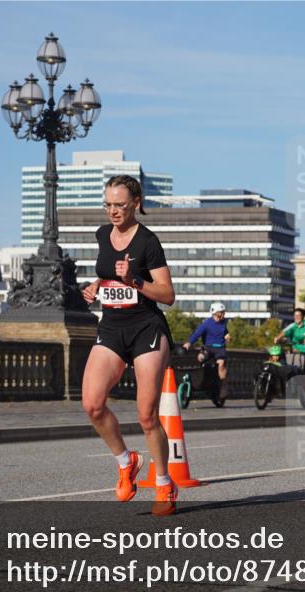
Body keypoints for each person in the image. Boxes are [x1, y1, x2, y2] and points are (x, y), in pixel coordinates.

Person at [81, 174, 178, 516]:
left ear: (136, 203)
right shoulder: (102, 235)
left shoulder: (148, 242)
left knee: (146, 415)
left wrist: (134, 281)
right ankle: (127, 460)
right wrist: (96, 286)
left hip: (145, 329)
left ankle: (165, 483)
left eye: (119, 205)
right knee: (92, 405)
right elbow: (108, 272)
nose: (113, 211)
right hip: (110, 326)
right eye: (107, 204)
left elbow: (167, 295)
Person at [183, 302, 232, 399]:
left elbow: (226, 334)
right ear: (215, 313)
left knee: (221, 364)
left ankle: (223, 386)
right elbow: (197, 334)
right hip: (208, 348)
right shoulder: (206, 324)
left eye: (223, 312)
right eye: (221, 312)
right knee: (201, 357)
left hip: (220, 349)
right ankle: (199, 378)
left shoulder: (223, 323)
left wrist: (228, 338)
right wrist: (189, 343)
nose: (223, 314)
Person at [275, 307, 305, 372]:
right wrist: (278, 338)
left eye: (299, 315)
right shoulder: (292, 326)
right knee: (293, 366)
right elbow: (284, 332)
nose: (297, 317)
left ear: (303, 316)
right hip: (298, 351)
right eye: (295, 315)